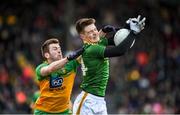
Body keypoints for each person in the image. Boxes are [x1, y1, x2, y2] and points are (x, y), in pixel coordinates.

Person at [73, 16, 146, 114]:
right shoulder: (90, 49)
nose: (94, 32)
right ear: (82, 36)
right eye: (90, 32)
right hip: (87, 102)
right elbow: (120, 50)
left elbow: (117, 39)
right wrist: (133, 33)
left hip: (100, 102)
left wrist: (127, 26)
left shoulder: (98, 44)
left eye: (94, 29)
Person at [34, 38, 84, 114]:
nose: (59, 50)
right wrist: (67, 59)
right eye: (55, 49)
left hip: (64, 112)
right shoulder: (40, 68)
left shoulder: (70, 64)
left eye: (59, 48)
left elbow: (89, 50)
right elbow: (50, 69)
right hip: (44, 112)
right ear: (47, 55)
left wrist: (101, 35)